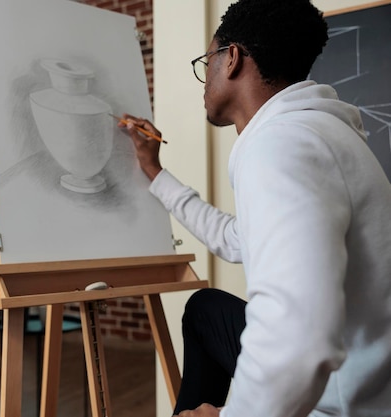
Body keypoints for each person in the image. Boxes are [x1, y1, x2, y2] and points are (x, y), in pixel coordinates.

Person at [118, 0, 391, 416]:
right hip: (365, 369)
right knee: (205, 309)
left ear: (231, 59)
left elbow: (297, 334)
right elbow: (234, 239)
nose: (202, 79)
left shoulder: (281, 147)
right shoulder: (312, 133)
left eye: (205, 61)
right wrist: (155, 172)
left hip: (349, 399)